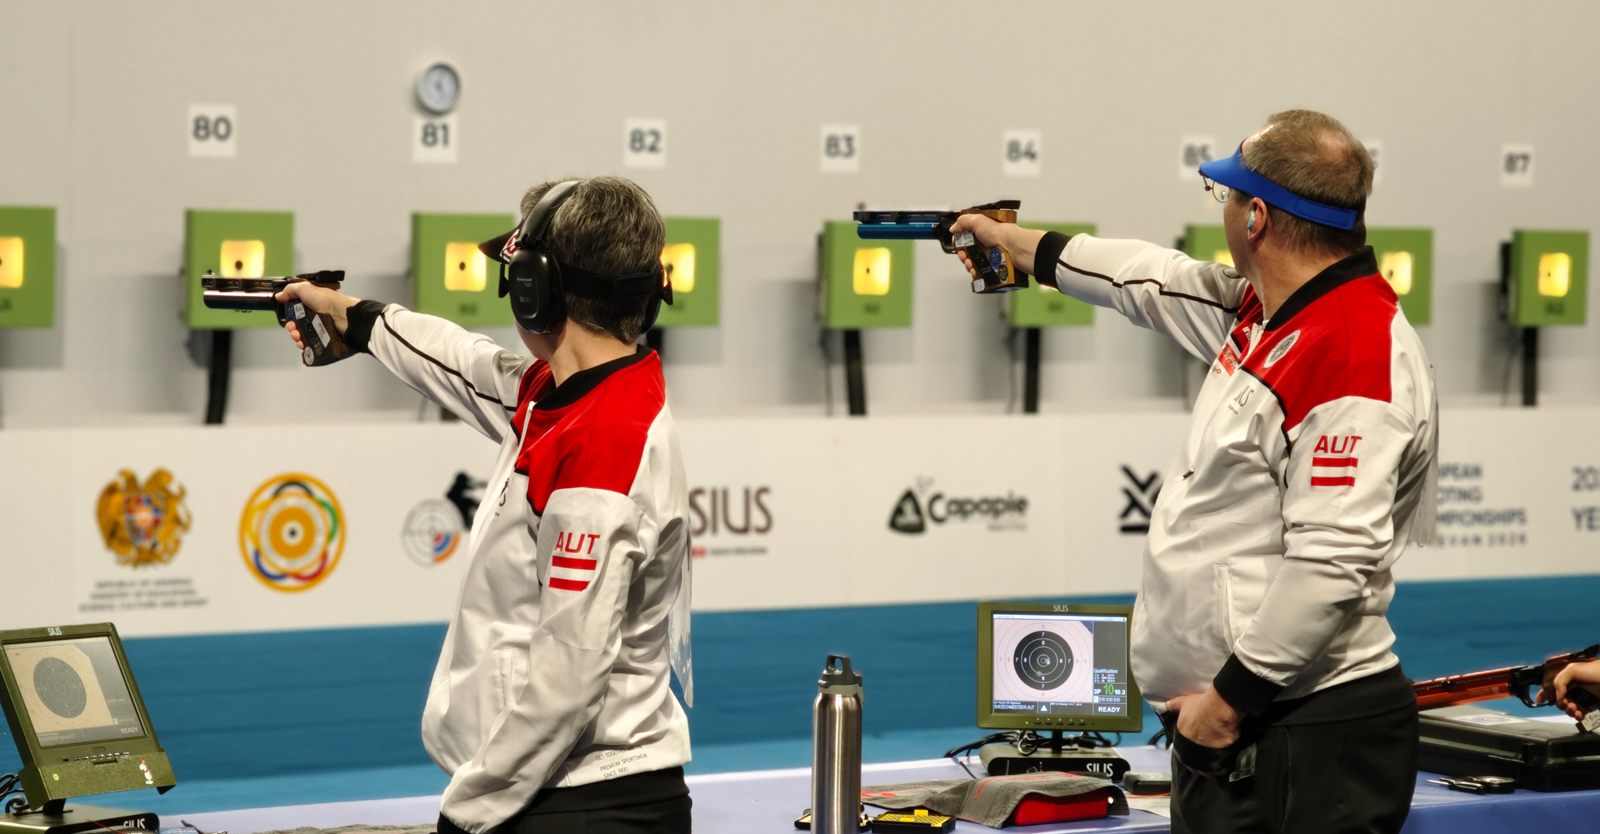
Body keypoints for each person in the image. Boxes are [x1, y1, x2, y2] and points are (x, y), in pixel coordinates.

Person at [952, 110, 1437, 834]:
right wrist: (1011, 243)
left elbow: (1333, 563)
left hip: (1293, 736)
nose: (1227, 212)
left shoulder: (1349, 351)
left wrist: (1224, 707)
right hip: (1256, 736)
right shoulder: (1269, 313)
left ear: (1259, 219)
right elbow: (1146, 277)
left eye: (1229, 198)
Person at [276, 176, 693, 834]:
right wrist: (351, 317)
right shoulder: (572, 397)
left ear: (538, 289)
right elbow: (461, 359)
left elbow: (568, 679)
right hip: (559, 795)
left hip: (574, 805)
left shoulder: (604, 443)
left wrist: (469, 813)